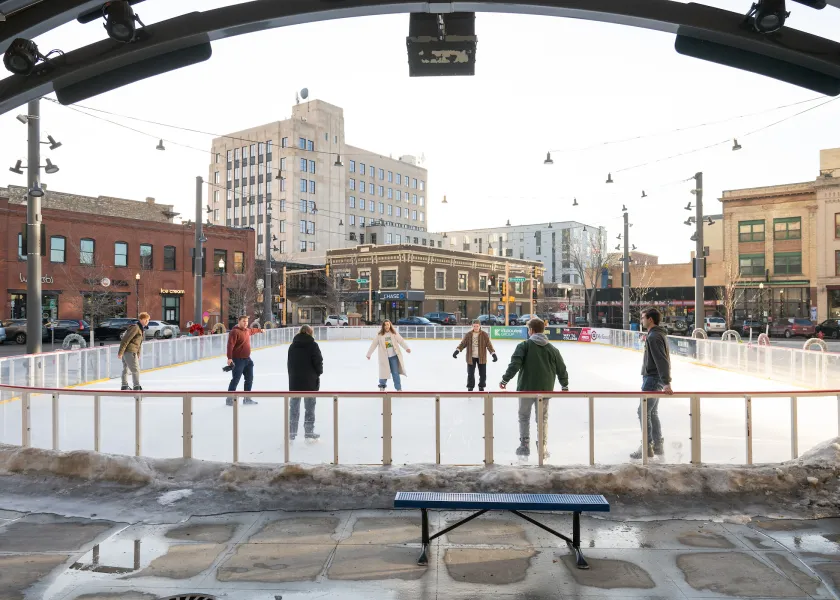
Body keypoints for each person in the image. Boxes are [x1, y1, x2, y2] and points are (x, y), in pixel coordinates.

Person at [499, 318, 568, 458]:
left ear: (531, 330)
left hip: (526, 389)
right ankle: (542, 446)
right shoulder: (553, 349)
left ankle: (524, 444)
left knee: (524, 416)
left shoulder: (524, 346)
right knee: (542, 419)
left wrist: (505, 379)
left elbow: (515, 365)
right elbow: (562, 368)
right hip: (545, 390)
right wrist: (564, 385)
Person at [631, 307, 673, 459]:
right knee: (652, 412)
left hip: (652, 379)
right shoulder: (658, 334)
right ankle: (657, 445)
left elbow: (662, 360)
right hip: (656, 379)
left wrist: (666, 382)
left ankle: (647, 446)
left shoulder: (654, 337)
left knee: (643, 411)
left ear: (650, 319)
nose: (641, 320)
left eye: (642, 318)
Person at [287, 325, 324, 441]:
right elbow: (318, 361)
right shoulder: (313, 345)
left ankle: (292, 433)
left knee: (294, 408)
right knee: (309, 408)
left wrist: (292, 376)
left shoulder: (292, 346)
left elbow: (289, 364)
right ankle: (309, 432)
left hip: (295, 382)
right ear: (310, 333)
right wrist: (319, 372)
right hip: (310, 382)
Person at [225, 315, 263, 406]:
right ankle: (229, 399)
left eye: (246, 321)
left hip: (247, 360)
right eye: (243, 321)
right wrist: (229, 358)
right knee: (236, 380)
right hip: (238, 360)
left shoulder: (247, 330)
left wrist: (260, 330)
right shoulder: (235, 332)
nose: (245, 323)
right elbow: (230, 345)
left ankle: (247, 399)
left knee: (249, 379)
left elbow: (252, 331)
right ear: (239, 321)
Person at [366, 320, 411, 391]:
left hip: (394, 357)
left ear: (390, 325)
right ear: (383, 326)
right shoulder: (379, 335)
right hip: (384, 358)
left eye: (388, 324)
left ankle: (398, 388)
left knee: (395, 373)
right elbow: (373, 344)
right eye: (385, 325)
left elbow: (401, 341)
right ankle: (382, 386)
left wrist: (407, 348)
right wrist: (369, 354)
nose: (387, 326)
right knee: (384, 373)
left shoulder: (394, 333)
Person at [453, 320, 498, 392]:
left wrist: (493, 354)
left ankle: (481, 387)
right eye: (474, 326)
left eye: (477, 326)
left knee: (483, 374)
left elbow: (489, 345)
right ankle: (470, 387)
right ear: (472, 326)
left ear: (480, 326)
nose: (476, 327)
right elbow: (463, 344)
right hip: (471, 358)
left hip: (482, 357)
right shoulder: (468, 335)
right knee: (470, 374)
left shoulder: (484, 335)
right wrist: (457, 351)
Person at [118, 313, 150, 391]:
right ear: (141, 319)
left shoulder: (140, 328)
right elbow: (126, 339)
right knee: (135, 369)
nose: (147, 321)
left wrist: (138, 353)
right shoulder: (135, 328)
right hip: (130, 351)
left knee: (126, 368)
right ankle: (136, 386)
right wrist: (120, 352)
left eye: (148, 320)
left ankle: (124, 385)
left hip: (130, 351)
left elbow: (138, 342)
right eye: (146, 320)